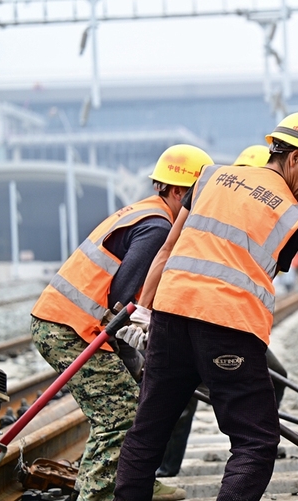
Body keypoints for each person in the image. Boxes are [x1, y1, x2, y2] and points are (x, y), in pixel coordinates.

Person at [114, 112, 298, 501]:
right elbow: (260, 277)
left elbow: (168, 250)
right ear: (294, 159)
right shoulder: (294, 217)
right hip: (229, 325)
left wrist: (144, 312)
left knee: (148, 431)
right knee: (255, 439)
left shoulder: (210, 177)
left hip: (171, 314)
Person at [30, 144, 212, 501]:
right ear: (178, 192)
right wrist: (140, 348)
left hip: (70, 322)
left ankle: (137, 479)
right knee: (120, 416)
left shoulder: (149, 213)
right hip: (71, 328)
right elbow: (122, 301)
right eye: (197, 200)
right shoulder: (158, 227)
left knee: (142, 396)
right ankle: (97, 495)